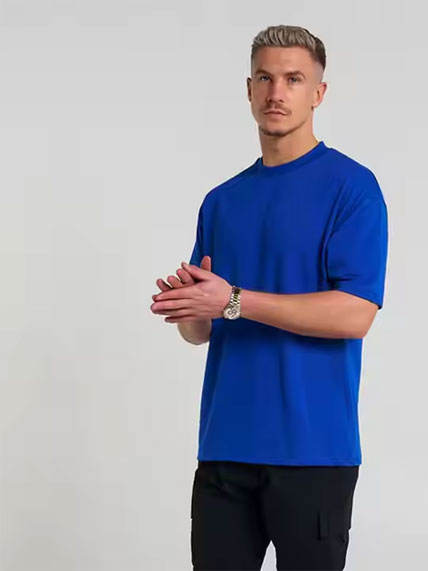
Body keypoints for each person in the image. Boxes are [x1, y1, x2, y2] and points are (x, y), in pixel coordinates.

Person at [150, 24, 389, 571]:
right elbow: (202, 330)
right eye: (264, 78)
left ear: (318, 93)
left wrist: (233, 300)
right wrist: (189, 308)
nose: (276, 92)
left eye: (293, 79)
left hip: (313, 452)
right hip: (224, 450)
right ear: (249, 89)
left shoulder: (351, 188)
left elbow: (355, 314)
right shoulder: (221, 201)